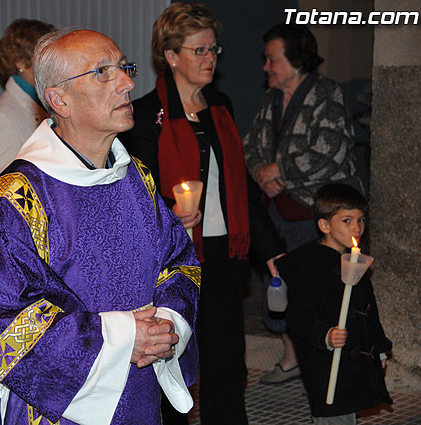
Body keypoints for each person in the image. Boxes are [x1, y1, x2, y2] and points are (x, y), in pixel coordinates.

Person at [0, 28, 200, 425]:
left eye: (123, 67)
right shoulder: (17, 201)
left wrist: (167, 323)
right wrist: (122, 338)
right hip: (58, 408)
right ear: (59, 100)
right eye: (103, 72)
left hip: (137, 397)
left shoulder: (137, 180)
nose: (127, 83)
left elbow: (179, 262)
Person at [120, 3, 284, 424]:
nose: (210, 58)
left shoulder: (220, 105)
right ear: (172, 55)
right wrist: (169, 213)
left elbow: (241, 185)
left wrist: (269, 250)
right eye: (200, 50)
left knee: (227, 363)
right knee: (169, 363)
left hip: (224, 255)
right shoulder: (144, 117)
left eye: (214, 49)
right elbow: (135, 195)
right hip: (173, 260)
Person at [243, 23, 363, 385]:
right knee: (279, 281)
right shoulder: (270, 100)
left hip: (316, 213)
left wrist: (280, 171)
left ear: (296, 60)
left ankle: (326, 362)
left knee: (318, 287)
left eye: (272, 58)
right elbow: (250, 147)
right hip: (277, 211)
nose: (266, 66)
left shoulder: (326, 93)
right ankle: (292, 355)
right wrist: (263, 175)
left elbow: (331, 149)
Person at [278, 183, 392, 424]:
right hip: (326, 364)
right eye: (347, 221)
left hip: (353, 362)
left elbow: (368, 310)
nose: (357, 227)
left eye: (361, 220)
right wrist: (326, 334)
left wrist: (378, 349)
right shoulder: (309, 267)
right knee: (334, 415)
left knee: (348, 413)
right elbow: (299, 316)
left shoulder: (354, 259)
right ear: (325, 225)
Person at [0, 18, 54, 187]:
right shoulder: (2, 117)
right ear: (21, 62)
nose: (53, 64)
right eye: (44, 56)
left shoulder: (45, 104)